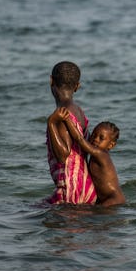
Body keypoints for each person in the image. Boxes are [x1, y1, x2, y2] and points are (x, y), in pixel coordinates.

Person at [44, 61, 97, 205]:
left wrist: (51, 123)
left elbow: (63, 155)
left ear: (51, 81)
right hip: (86, 186)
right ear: (77, 86)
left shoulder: (61, 115)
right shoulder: (78, 110)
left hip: (70, 189)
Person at [54, 106, 126, 207]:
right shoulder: (95, 153)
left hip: (113, 198)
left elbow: (80, 139)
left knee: (95, 215)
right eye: (94, 134)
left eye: (101, 138)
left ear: (111, 145)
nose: (96, 139)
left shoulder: (101, 154)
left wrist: (67, 120)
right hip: (103, 198)